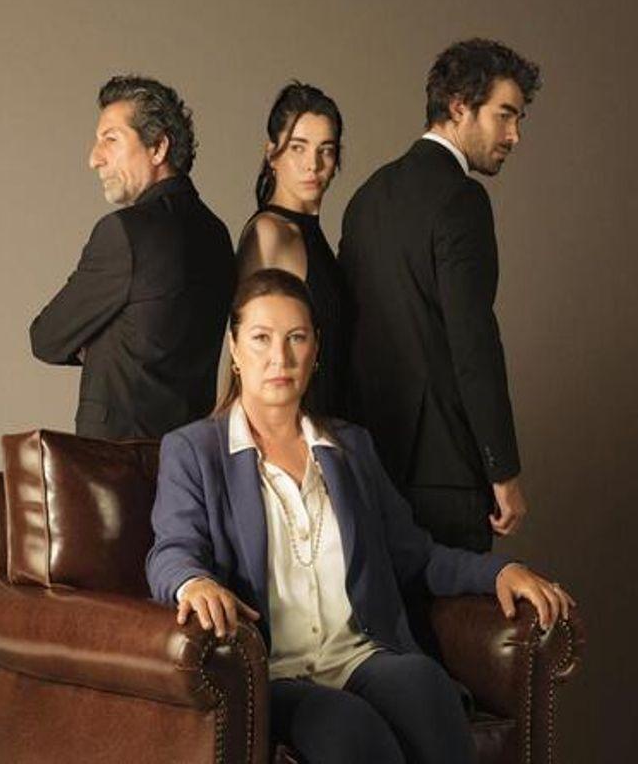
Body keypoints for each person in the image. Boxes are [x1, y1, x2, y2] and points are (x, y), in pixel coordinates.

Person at [147, 269, 574, 764]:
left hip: (359, 655)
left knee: (426, 687)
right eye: (261, 338)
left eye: (296, 338)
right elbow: (170, 550)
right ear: (235, 349)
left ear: (316, 349)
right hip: (272, 672)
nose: (280, 357)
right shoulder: (193, 451)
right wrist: (193, 583)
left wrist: (500, 571)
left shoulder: (350, 448)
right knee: (350, 728)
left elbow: (415, 555)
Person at [339, 38, 541, 553]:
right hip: (446, 475)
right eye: (504, 115)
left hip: (369, 467)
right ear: (458, 107)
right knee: (454, 605)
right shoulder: (462, 199)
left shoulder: (366, 197)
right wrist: (502, 470)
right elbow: (473, 343)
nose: (514, 136)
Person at [29, 75, 235, 439]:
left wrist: (98, 341)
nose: (94, 159)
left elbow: (46, 337)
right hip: (191, 457)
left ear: (158, 148)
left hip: (115, 461)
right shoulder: (217, 234)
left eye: (111, 139)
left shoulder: (124, 234)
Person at [236, 81, 348, 416]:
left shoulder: (309, 233)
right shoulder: (270, 233)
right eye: (298, 148)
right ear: (272, 153)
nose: (313, 164)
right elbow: (248, 348)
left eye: (325, 150)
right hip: (294, 427)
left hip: (331, 424)